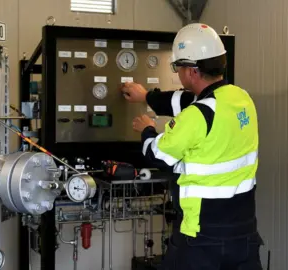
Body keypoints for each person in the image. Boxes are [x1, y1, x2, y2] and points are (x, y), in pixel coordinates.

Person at [120, 23, 264, 270]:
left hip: (201, 237)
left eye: (178, 67)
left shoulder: (197, 115)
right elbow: (186, 100)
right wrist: (146, 96)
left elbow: (158, 155)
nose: (178, 73)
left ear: (192, 71)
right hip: (244, 235)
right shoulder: (242, 99)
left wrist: (146, 129)